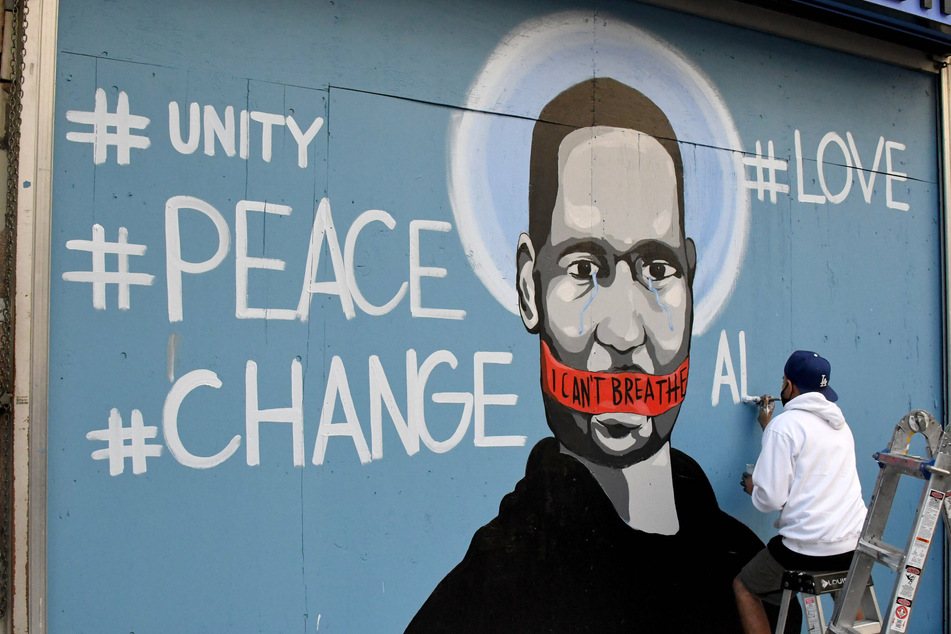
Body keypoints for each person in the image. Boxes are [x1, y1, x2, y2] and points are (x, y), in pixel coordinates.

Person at [407, 78, 797, 633]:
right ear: (528, 287)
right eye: (584, 269)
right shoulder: (489, 597)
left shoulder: (739, 562)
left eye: (657, 270)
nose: (623, 330)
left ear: (691, 277)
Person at [734, 350, 867, 634]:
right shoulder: (840, 425)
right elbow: (812, 470)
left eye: (783, 381)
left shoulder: (785, 427)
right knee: (847, 592)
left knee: (744, 587)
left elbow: (770, 500)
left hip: (806, 551)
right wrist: (767, 427)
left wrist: (754, 488)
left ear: (789, 386)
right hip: (851, 544)